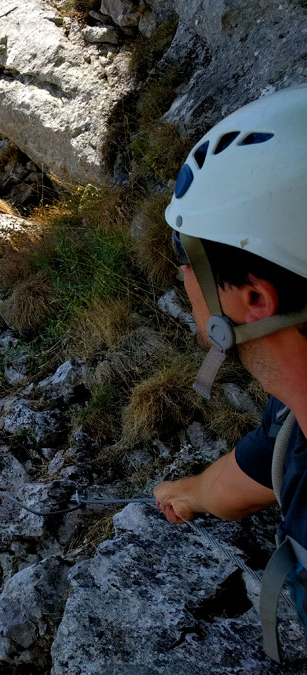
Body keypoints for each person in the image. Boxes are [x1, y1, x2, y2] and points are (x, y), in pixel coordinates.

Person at [150, 85, 307, 662]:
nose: (183, 277)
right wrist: (187, 494)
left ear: (254, 298)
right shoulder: (294, 410)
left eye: (189, 259)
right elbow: (256, 472)